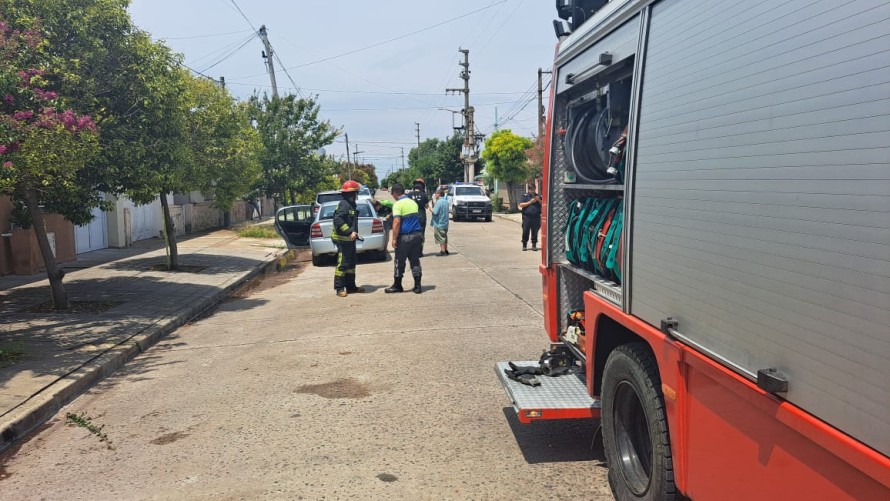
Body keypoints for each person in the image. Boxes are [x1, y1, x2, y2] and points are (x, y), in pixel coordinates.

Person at [385, 183, 423, 294]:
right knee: (415, 261)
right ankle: (417, 286)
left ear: (395, 193)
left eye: (392, 195)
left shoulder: (398, 204)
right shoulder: (413, 202)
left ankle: (397, 285)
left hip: (405, 237)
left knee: (399, 261)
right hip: (417, 236)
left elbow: (396, 222)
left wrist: (394, 238)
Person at [331, 180, 366, 297]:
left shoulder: (351, 205)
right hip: (342, 239)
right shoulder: (344, 204)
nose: (357, 196)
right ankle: (339, 288)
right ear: (352, 194)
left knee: (351, 263)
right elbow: (338, 220)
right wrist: (349, 232)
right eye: (356, 193)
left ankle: (351, 287)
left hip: (349, 240)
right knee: (343, 263)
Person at [517, 184, 542, 251]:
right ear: (529, 189)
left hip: (536, 217)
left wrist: (538, 200)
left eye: (533, 189)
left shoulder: (539, 196)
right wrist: (530, 202)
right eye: (531, 189)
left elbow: (544, 204)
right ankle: (524, 245)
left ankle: (534, 245)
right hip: (527, 217)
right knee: (525, 231)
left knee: (535, 231)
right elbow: (521, 205)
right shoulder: (525, 196)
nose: (532, 191)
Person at [409, 178, 429, 253]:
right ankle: (420, 251)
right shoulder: (424, 195)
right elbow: (426, 206)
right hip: (421, 216)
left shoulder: (409, 195)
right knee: (421, 234)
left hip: (412, 216)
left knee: (412, 233)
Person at [429, 188, 450, 256]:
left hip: (439, 223)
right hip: (445, 223)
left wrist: (430, 209)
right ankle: (446, 250)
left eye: (436, 193)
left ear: (439, 194)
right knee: (444, 237)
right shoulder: (446, 201)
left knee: (441, 238)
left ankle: (443, 251)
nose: (435, 195)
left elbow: (435, 212)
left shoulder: (439, 202)